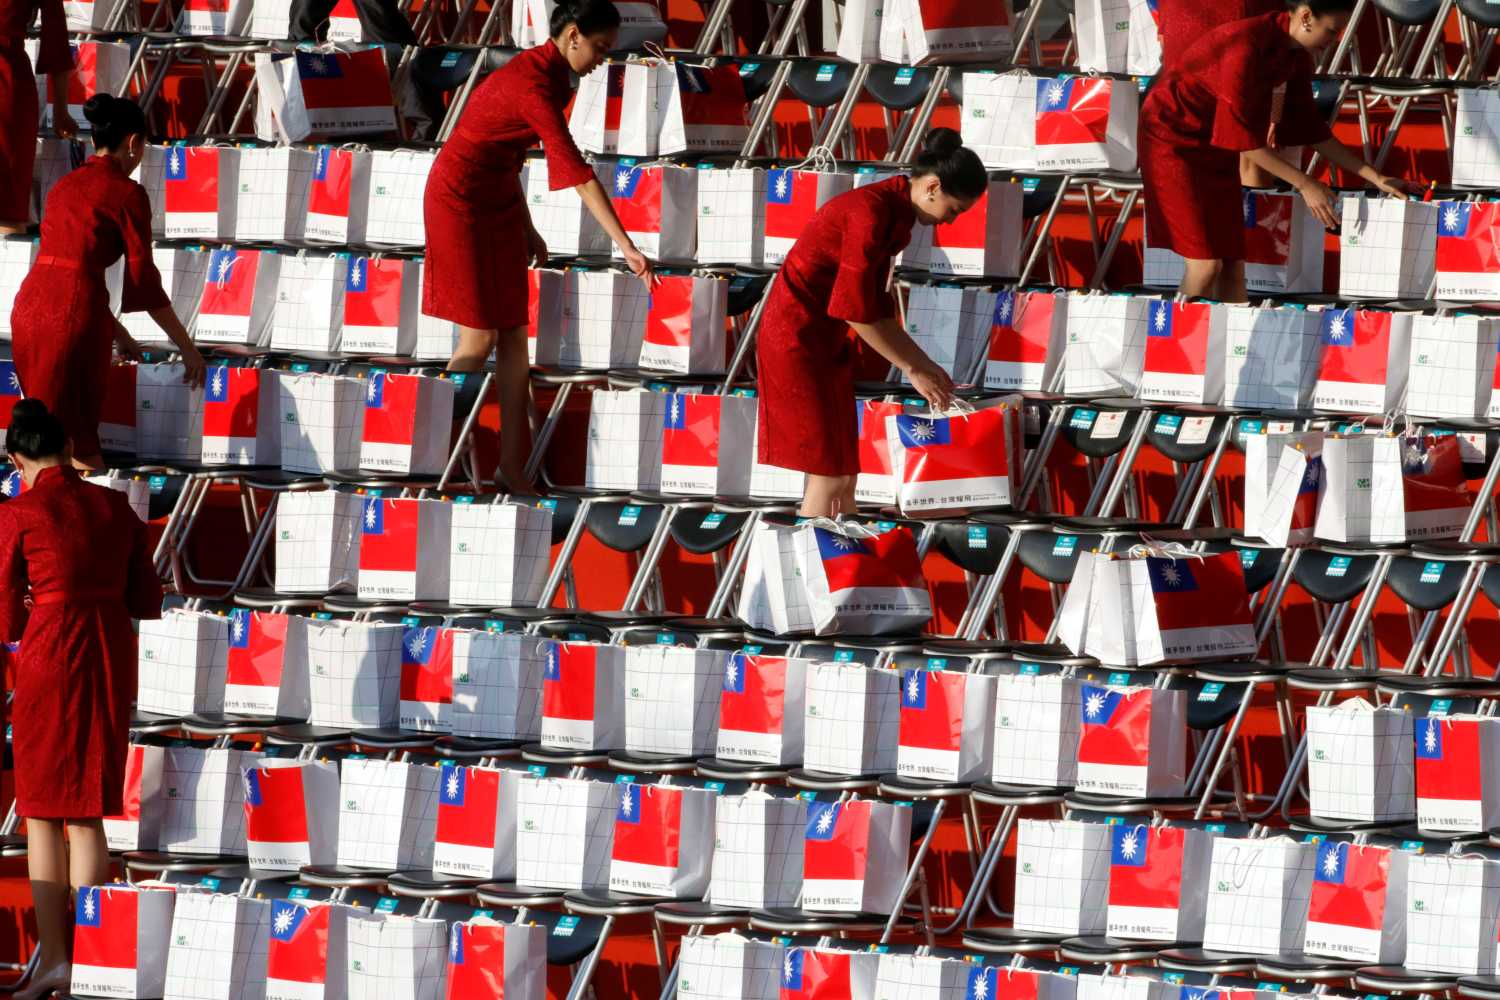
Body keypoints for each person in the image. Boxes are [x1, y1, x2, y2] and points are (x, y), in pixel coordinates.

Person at [424, 0, 654, 493]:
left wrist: (526, 225)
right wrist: (627, 246)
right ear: (573, 35)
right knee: (479, 339)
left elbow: (506, 154)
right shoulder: (533, 85)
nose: (602, 60)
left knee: (514, 337)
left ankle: (513, 466)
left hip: (499, 198)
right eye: (599, 47)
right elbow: (576, 172)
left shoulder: (551, 77)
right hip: (458, 200)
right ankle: (420, 448)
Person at [0, 399, 163, 1000]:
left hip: (51, 650)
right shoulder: (115, 506)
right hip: (108, 653)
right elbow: (148, 599)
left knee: (41, 808)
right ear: (67, 449)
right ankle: (87, 959)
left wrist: (28, 612)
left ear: (18, 460)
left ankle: (55, 961)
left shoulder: (18, 511)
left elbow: (3, 614)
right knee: (88, 809)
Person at [756, 128, 985, 518]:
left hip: (824, 344)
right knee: (828, 476)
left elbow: (875, 310)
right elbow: (854, 309)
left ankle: (845, 571)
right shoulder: (870, 211)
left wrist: (926, 367)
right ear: (932, 187)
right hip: (796, 343)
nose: (948, 222)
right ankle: (814, 572)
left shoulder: (892, 210)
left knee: (846, 476)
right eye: (953, 210)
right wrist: (915, 367)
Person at [1139, 0, 1411, 303]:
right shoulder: (1244, 44)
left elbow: (1311, 129)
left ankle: (1231, 347)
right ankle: (1171, 346)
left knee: (1232, 265)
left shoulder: (1294, 54)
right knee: (1205, 266)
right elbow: (1242, 140)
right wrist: (1305, 183)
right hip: (1172, 141)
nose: (1333, 42)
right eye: (1331, 32)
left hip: (1214, 144)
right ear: (1306, 16)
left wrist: (1375, 178)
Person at [9, 95, 205, 472]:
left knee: (44, 428)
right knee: (72, 435)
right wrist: (188, 348)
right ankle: (86, 518)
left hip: (30, 307)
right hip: (72, 315)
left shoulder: (65, 185)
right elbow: (144, 283)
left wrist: (117, 330)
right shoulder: (127, 193)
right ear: (133, 142)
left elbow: (66, 267)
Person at [1154, 0, 1283, 186]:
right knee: (1250, 162)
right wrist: (1275, 114)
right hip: (1195, 106)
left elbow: (1165, 44)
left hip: (1177, 113)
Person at [0, 0, 76, 235]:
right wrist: (61, 109)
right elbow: (57, 39)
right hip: (9, 83)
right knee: (7, 204)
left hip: (9, 85)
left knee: (7, 202)